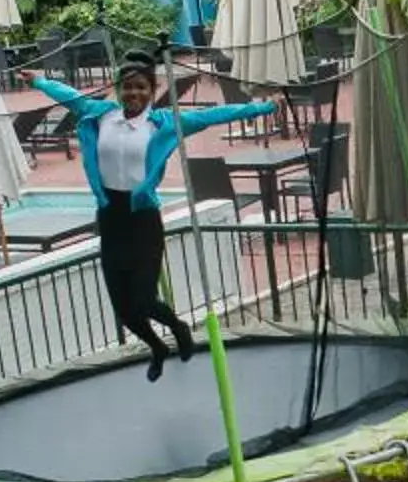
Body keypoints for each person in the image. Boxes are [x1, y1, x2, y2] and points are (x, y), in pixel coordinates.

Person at [29, 58, 276, 378]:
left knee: (144, 299)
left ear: (152, 90)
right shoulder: (100, 115)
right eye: (127, 87)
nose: (133, 93)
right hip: (110, 217)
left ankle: (178, 327)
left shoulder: (163, 123)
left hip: (143, 218)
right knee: (124, 309)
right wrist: (37, 80)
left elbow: (215, 115)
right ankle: (157, 347)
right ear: (118, 89)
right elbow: (68, 96)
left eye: (141, 87)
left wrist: (264, 108)